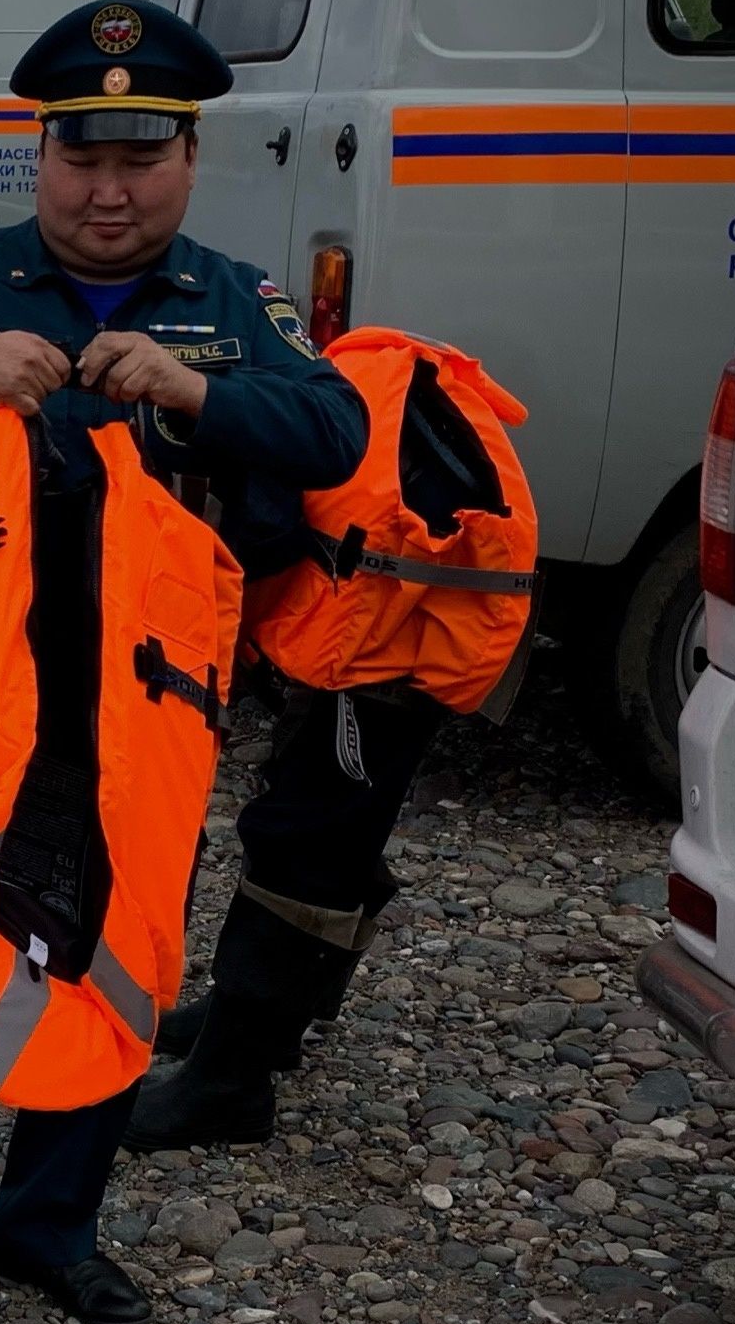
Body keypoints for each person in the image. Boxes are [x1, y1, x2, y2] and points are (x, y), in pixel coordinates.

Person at [0, 0, 368, 1324]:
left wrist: (193, 392)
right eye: (81, 162)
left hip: (145, 712)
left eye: (142, 162)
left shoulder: (235, 300)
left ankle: (49, 1230)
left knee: (115, 964)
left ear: (186, 158)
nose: (109, 194)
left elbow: (336, 429)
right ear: (39, 156)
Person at [125, 329, 538, 1151]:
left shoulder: (276, 410)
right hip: (392, 618)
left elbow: (259, 540)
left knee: (302, 846)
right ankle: (268, 1025)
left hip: (393, 641)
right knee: (326, 825)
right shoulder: (328, 384)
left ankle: (231, 1086)